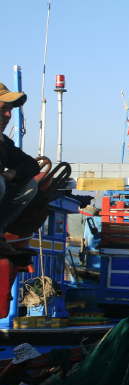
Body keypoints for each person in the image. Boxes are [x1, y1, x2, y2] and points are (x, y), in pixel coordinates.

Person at [0, 82, 40, 255]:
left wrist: (13, 174)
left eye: (10, 110)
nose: (8, 115)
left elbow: (31, 165)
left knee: (32, 185)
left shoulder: (3, 143)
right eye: (3, 109)